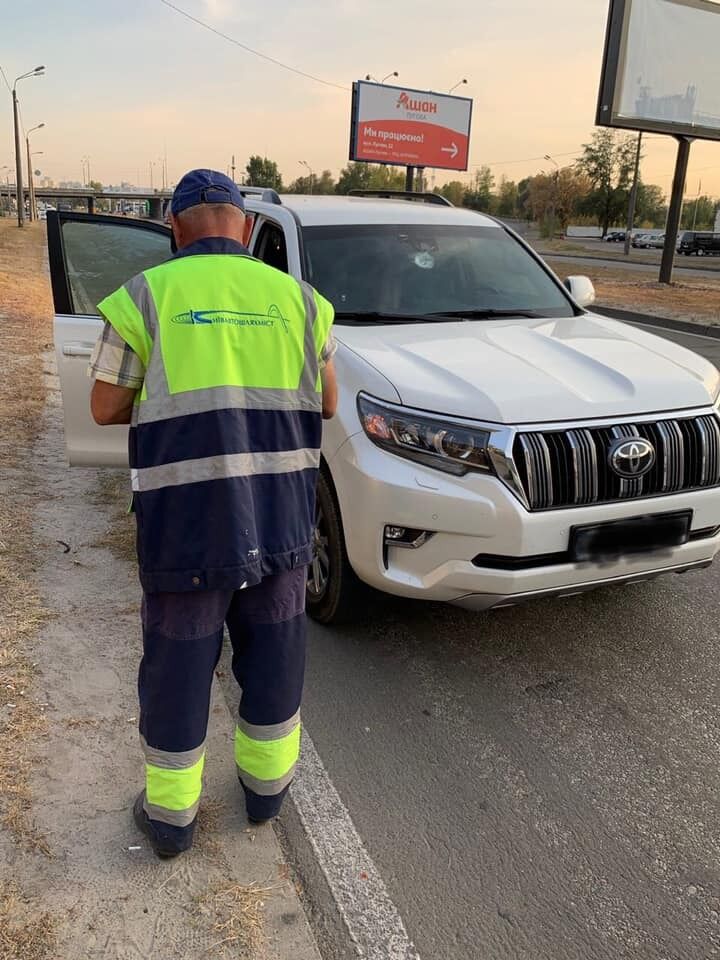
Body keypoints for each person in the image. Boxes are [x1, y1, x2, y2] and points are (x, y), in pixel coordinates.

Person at [88, 169, 337, 859]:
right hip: (282, 521)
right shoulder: (302, 301)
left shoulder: (148, 295)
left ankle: (170, 822)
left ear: (175, 228)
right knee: (276, 662)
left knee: (178, 669)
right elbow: (328, 402)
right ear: (244, 224)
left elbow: (105, 407)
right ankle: (266, 797)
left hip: (188, 526)